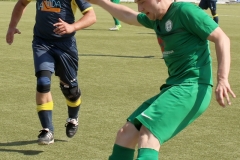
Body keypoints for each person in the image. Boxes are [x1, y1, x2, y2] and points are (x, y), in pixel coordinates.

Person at [86, 0, 235, 159]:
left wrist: (222, 78)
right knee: (126, 134)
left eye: (142, 2)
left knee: (148, 136)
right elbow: (128, 15)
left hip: (192, 87)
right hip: (173, 87)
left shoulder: (184, 11)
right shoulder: (156, 18)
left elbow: (222, 38)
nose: (140, 8)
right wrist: (100, 1)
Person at [6, 0, 96, 145]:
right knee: (43, 82)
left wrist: (72, 26)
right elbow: (22, 3)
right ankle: (47, 130)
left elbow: (91, 16)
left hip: (66, 45)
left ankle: (73, 118)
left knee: (71, 90)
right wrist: (12, 26)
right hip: (42, 43)